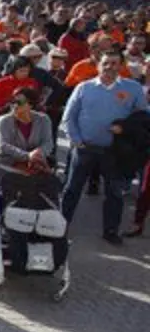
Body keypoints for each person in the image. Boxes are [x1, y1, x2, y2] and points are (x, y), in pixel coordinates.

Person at [60, 51, 149, 244]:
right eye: (106, 63)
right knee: (72, 190)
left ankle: (110, 231)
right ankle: (60, 226)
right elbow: (69, 117)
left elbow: (142, 117)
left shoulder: (132, 88)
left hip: (113, 152)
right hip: (84, 148)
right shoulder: (84, 87)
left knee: (114, 193)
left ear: (121, 66)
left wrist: (124, 127)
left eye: (114, 63)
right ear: (99, 66)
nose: (109, 67)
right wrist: (75, 139)